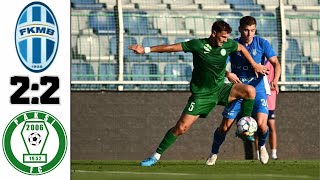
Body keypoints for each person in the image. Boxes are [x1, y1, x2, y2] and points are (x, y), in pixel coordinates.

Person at [128, 20, 268, 166]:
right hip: (202, 95)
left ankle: (243, 124)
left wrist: (254, 64)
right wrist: (146, 50)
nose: (226, 40)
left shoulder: (227, 44)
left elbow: (241, 48)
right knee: (181, 128)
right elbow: (172, 48)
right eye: (223, 37)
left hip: (220, 89)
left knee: (249, 90)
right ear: (214, 33)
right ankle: (155, 156)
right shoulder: (198, 45)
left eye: (227, 37)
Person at [205, 16, 280, 165]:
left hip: (258, 89)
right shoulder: (233, 45)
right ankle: (213, 153)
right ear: (240, 30)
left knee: (262, 123)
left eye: (252, 30)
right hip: (238, 89)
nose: (249, 33)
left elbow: (276, 63)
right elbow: (219, 65)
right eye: (246, 30)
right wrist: (228, 74)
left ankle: (262, 146)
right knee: (225, 126)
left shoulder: (262, 43)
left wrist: (275, 80)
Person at [256, 61, 278, 160]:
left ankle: (274, 153)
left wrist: (272, 84)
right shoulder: (256, 61)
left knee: (272, 127)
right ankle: (258, 152)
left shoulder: (271, 63)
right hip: (259, 99)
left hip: (269, 102)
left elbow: (274, 82)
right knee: (257, 127)